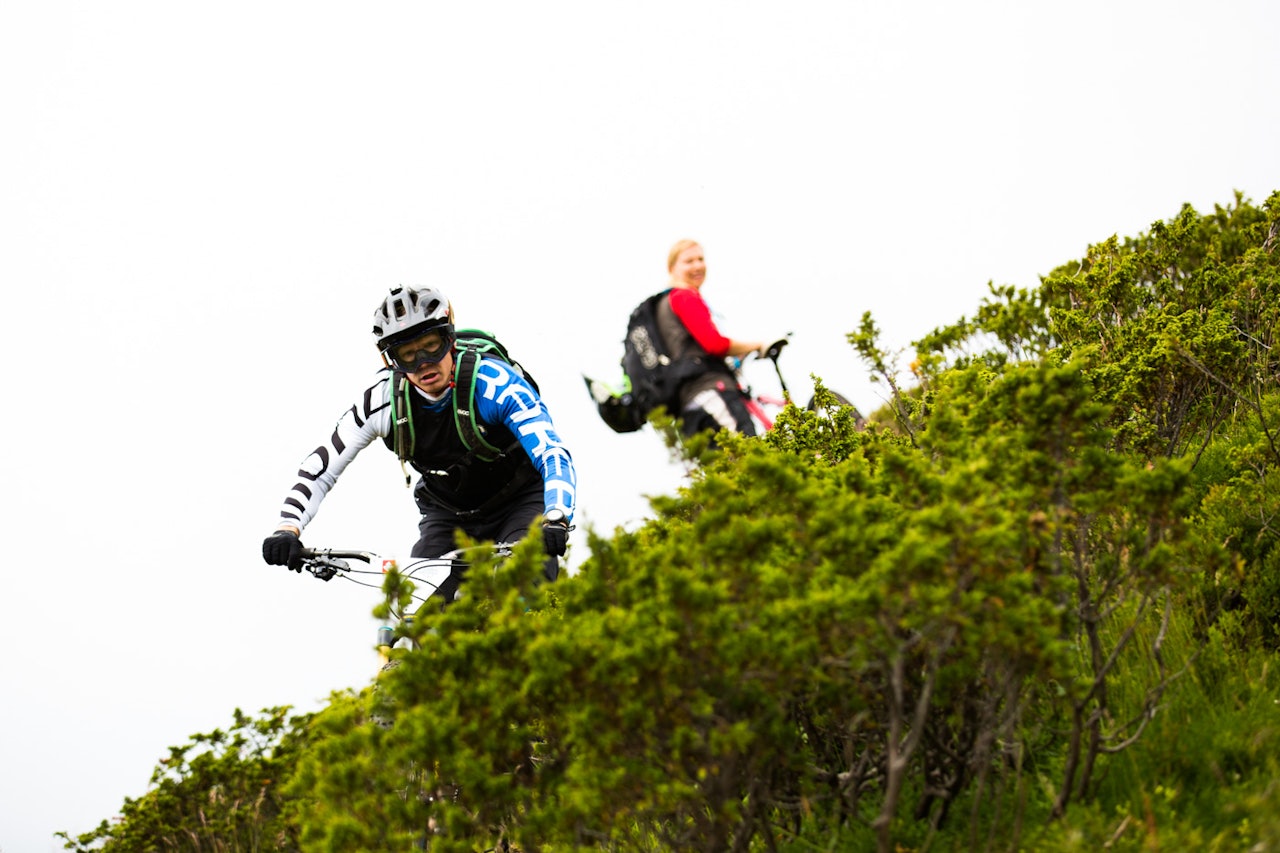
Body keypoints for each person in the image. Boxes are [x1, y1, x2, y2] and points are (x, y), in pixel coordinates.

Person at [262, 285, 576, 605]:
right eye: (408, 355)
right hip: (448, 515)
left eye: (431, 346)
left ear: (450, 339)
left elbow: (552, 453)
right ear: (390, 360)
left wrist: (557, 516)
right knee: (416, 606)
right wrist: (288, 528)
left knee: (522, 587)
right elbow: (322, 467)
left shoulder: (494, 383)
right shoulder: (382, 401)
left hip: (521, 501)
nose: (424, 363)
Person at [658, 239, 769, 437]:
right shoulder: (684, 296)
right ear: (672, 267)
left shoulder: (662, 306)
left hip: (688, 407)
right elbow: (715, 344)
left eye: (701, 259)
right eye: (689, 261)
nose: (698, 266)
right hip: (712, 394)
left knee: (724, 465)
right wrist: (757, 345)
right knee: (751, 457)